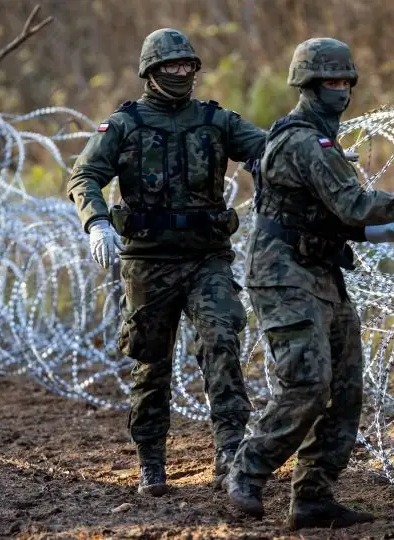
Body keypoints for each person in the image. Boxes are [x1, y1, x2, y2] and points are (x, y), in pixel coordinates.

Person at [222, 37, 394, 529]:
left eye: (344, 82)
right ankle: (247, 470)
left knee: (344, 389)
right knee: (308, 383)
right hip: (283, 276)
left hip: (320, 272)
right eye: (328, 82)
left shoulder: (322, 141)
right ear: (308, 86)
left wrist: (391, 230)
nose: (338, 90)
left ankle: (314, 497)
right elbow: (353, 206)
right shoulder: (302, 141)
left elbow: (335, 215)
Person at [66, 28, 267, 497]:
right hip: (147, 263)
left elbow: (265, 149)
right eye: (171, 67)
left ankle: (231, 454)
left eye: (186, 66)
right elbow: (85, 173)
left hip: (206, 258)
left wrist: (308, 160)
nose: (180, 74)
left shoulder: (216, 120)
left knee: (221, 341)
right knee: (150, 364)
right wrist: (96, 222)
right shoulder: (125, 124)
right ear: (151, 72)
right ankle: (151, 462)